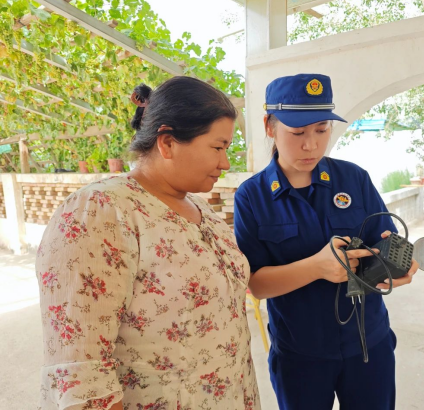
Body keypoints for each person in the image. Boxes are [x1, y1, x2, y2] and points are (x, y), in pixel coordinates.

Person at [36, 76, 260, 410]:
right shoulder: (100, 212)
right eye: (217, 148)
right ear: (167, 142)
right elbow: (82, 371)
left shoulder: (203, 211)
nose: (225, 163)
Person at [233, 74, 419, 410]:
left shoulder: (354, 179)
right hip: (300, 354)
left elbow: (384, 240)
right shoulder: (252, 196)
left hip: (368, 344)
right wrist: (316, 268)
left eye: (322, 130)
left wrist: (396, 263)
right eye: (298, 133)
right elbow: (256, 284)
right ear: (269, 126)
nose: (311, 145)